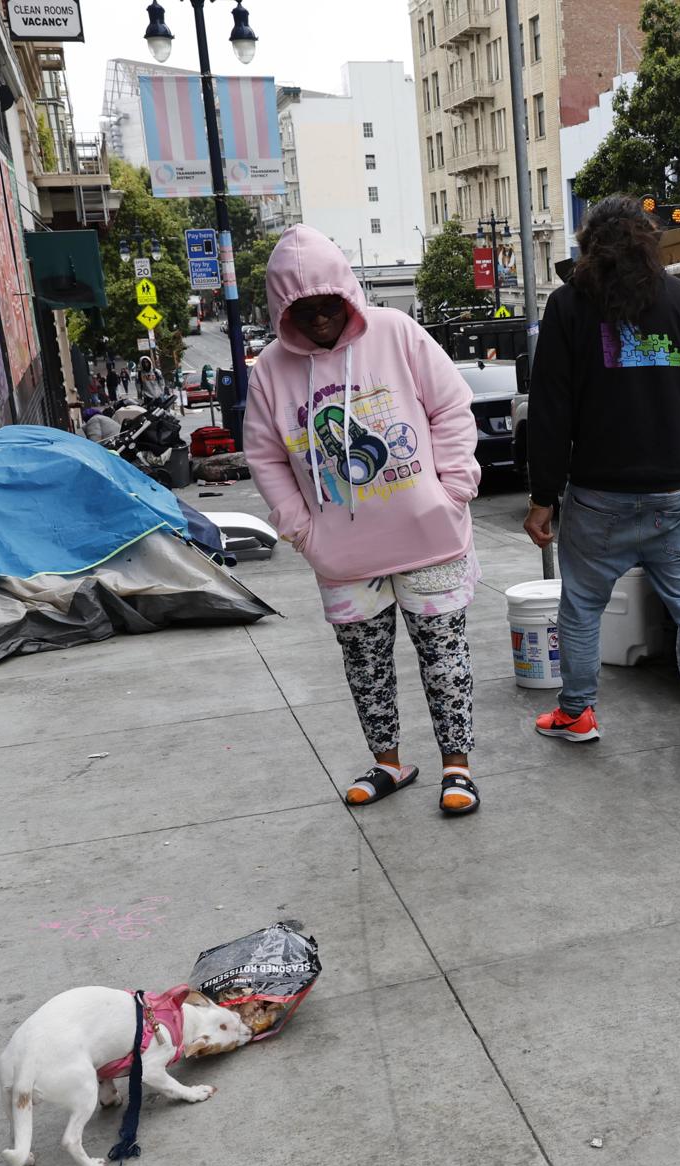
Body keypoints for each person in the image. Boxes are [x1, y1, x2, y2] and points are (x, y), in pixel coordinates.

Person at [522, 195, 680, 767]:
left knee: (582, 604)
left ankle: (577, 713)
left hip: (597, 494)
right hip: (675, 490)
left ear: (589, 250)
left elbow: (550, 409)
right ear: (648, 243)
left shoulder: (566, 307)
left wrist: (543, 496)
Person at [242, 224, 485, 816]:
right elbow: (265, 455)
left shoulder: (396, 332)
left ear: (346, 294)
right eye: (304, 309)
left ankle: (458, 769)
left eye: (329, 305)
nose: (320, 318)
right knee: (365, 661)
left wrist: (453, 488)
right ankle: (389, 763)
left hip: (428, 534)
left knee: (443, 654)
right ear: (283, 309)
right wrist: (300, 528)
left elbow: (450, 406)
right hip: (343, 553)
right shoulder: (270, 369)